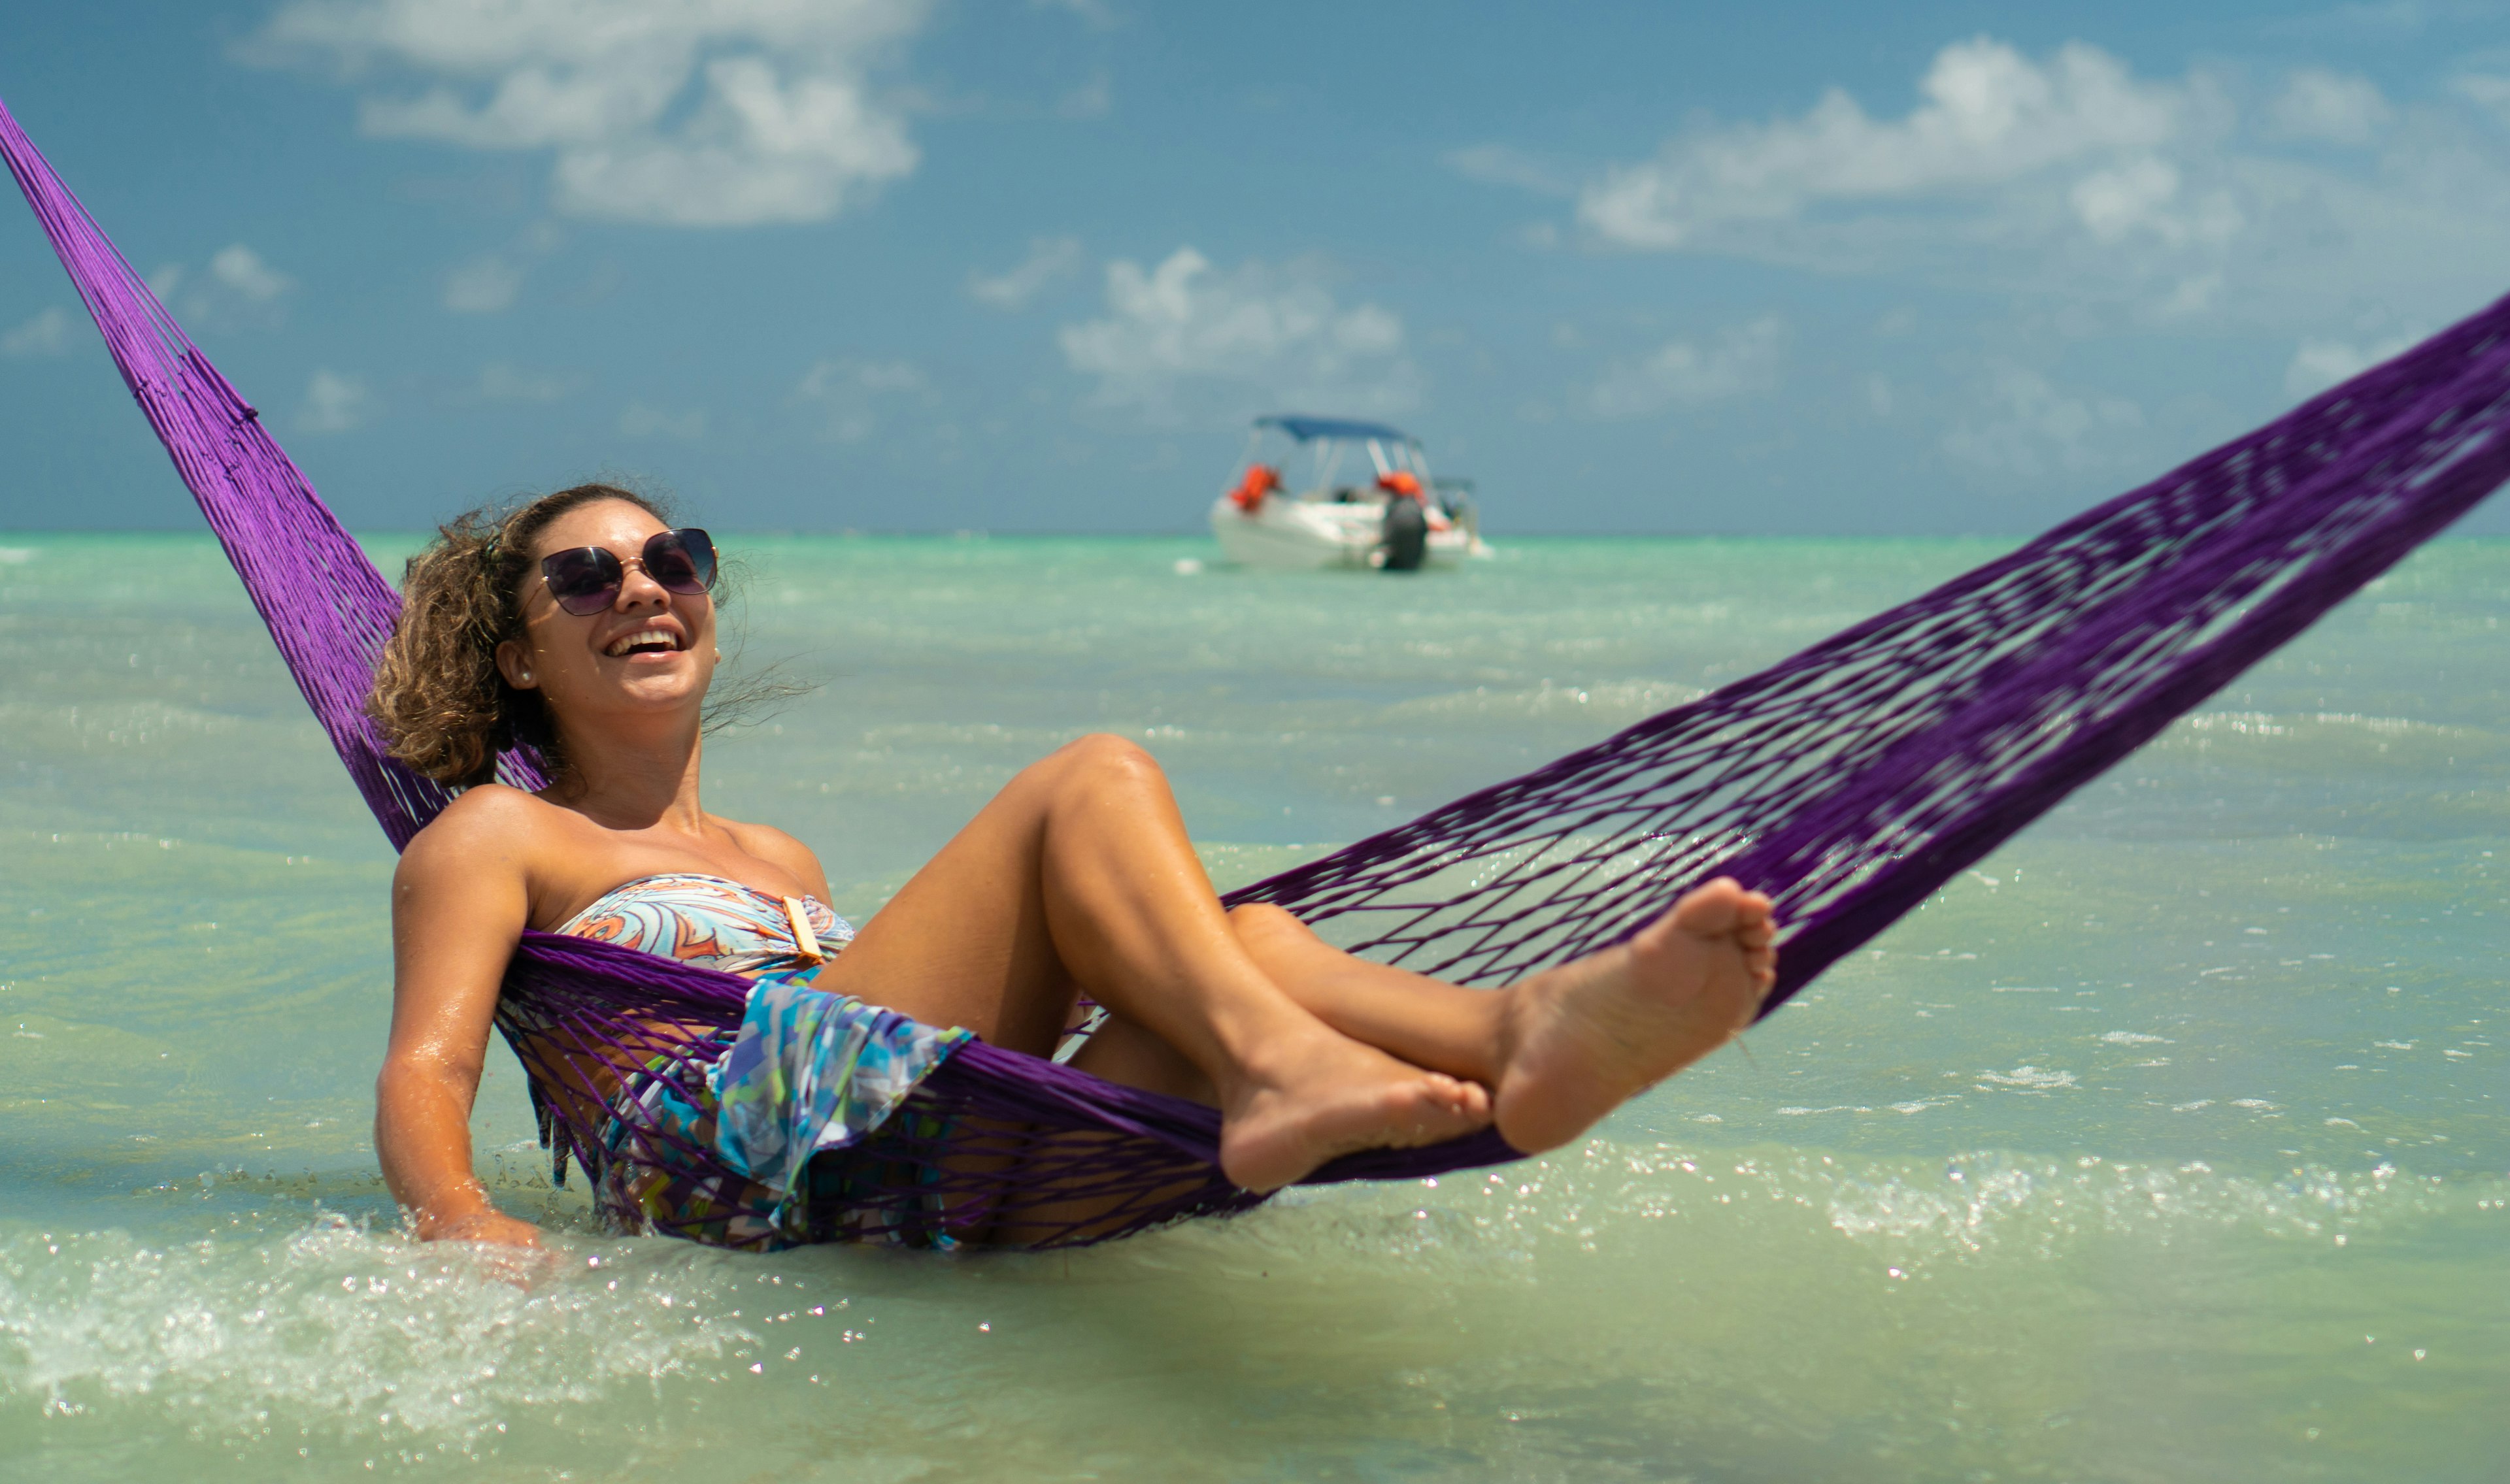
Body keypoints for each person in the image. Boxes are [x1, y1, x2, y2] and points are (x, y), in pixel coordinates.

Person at [371, 482, 1779, 1248]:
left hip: (881, 1145)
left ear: (709, 607)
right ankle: (1285, 1064)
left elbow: (884, 1013)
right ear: (519, 656)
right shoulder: (498, 831)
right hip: (715, 1163)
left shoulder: (775, 852)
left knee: (1260, 941)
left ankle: (1515, 1032)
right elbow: (428, 1071)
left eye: (671, 556)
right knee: (1091, 781)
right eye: (583, 576)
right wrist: (464, 1223)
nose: (640, 585)